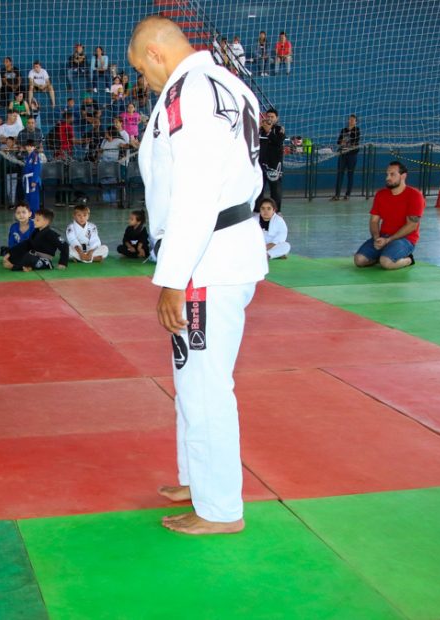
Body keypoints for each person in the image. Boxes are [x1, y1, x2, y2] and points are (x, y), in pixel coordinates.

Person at [129, 16, 268, 535]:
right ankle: (197, 478)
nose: (144, 81)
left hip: (206, 258)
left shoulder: (191, 92)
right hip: (220, 252)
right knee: (192, 376)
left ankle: (219, 509)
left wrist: (172, 277)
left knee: (207, 385)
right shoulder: (231, 84)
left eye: (142, 70)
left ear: (157, 53)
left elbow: (195, 194)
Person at [354, 161, 424, 270]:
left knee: (386, 263)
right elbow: (374, 221)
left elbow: (412, 225)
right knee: (359, 260)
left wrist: (389, 240)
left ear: (403, 176)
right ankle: (381, 254)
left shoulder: (415, 195)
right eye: (387, 174)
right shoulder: (381, 194)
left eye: (392, 174)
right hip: (383, 236)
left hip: (405, 239)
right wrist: (377, 238)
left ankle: (408, 259)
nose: (388, 178)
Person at [3, 208, 68, 271]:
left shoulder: (51, 233)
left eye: (37, 220)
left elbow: (65, 245)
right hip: (33, 256)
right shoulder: (36, 232)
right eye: (34, 219)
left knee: (29, 258)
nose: (34, 221)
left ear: (46, 221)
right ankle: (25, 266)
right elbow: (27, 244)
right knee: (16, 255)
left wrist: (62, 263)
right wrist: (10, 253)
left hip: (44, 260)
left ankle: (15, 266)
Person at [257, 108, 284, 212]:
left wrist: (268, 130)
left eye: (272, 117)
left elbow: (278, 142)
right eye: (268, 116)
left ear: (277, 118)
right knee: (259, 189)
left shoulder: (279, 129)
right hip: (261, 163)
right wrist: (259, 127)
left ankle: (277, 211)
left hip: (274, 165)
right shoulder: (260, 129)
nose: (269, 119)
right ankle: (257, 210)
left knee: (275, 190)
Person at [332, 114, 361, 201]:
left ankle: (347, 194)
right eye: (350, 119)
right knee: (340, 174)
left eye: (353, 119)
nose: (351, 121)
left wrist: (348, 143)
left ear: (356, 121)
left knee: (350, 175)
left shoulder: (357, 130)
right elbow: (338, 141)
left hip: (352, 155)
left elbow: (356, 142)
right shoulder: (343, 130)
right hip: (343, 154)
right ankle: (337, 195)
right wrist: (342, 142)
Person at [22, 140, 42, 213]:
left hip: (33, 179)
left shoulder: (35, 156)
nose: (29, 148)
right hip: (27, 179)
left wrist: (34, 181)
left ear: (34, 147)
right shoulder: (27, 157)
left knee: (34, 198)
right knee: (28, 198)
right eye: (28, 146)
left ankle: (34, 214)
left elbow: (37, 169)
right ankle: (29, 214)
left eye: (31, 146)